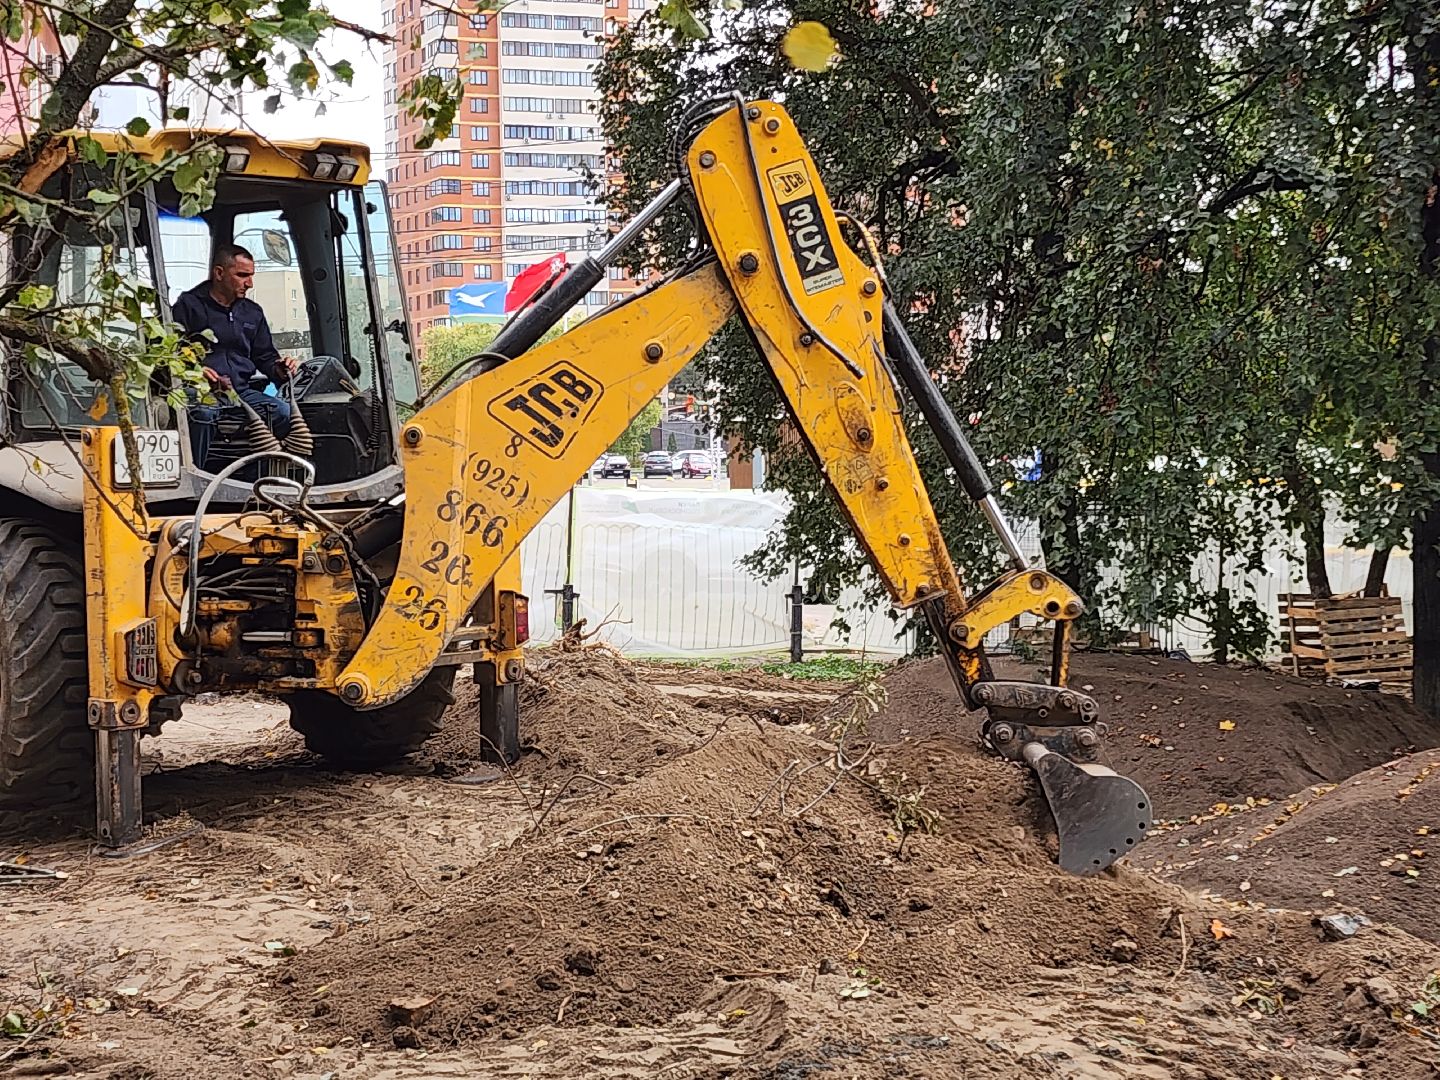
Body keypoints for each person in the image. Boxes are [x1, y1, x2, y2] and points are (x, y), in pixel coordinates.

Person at [173, 243, 298, 468]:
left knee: (283, 412)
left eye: (251, 276)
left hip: (240, 391)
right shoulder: (188, 306)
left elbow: (265, 356)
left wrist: (279, 368)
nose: (249, 283)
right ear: (219, 273)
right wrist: (196, 372)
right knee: (202, 414)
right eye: (242, 275)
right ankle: (196, 475)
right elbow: (171, 355)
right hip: (200, 392)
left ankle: (262, 476)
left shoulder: (252, 312)